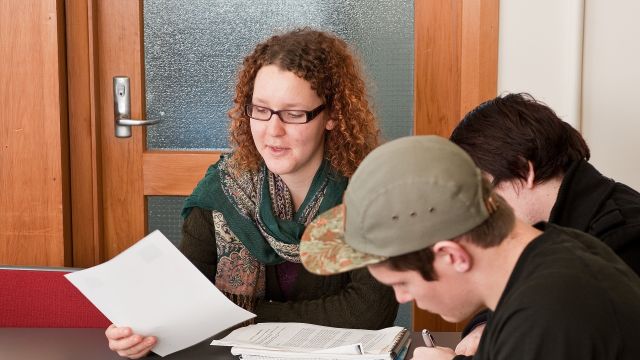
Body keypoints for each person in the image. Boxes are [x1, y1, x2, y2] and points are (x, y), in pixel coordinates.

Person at [105, 28, 398, 359]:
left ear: (331, 115)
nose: (273, 130)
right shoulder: (220, 191)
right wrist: (139, 333)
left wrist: (241, 317)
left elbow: (369, 313)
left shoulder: (370, 190)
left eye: (293, 113)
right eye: (261, 109)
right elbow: (184, 307)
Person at [299, 135, 640, 360]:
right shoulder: (557, 251)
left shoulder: (547, 320)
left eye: (403, 283)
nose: (402, 298)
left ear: (451, 255)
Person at [449, 92, 640, 355]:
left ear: (523, 171)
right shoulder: (557, 224)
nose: (482, 212)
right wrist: (483, 327)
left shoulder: (623, 237)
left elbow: (556, 333)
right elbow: (510, 294)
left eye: (484, 194)